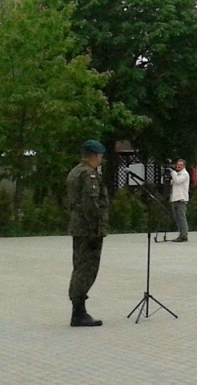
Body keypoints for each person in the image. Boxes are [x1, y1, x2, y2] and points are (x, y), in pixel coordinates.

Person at [67, 140, 109, 327]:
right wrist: (96, 228)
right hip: (88, 228)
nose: (101, 159)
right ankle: (79, 313)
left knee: (80, 266)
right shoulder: (88, 175)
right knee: (86, 268)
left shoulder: (75, 171)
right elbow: (90, 204)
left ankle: (78, 309)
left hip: (79, 226)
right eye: (100, 156)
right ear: (95, 156)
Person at [169, 159, 190, 242]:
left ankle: (184, 235)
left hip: (181, 199)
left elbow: (177, 181)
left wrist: (172, 172)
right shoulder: (177, 174)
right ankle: (180, 234)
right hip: (175, 198)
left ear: (184, 166)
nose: (178, 166)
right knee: (177, 218)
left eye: (181, 165)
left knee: (182, 217)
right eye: (178, 164)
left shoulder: (185, 174)